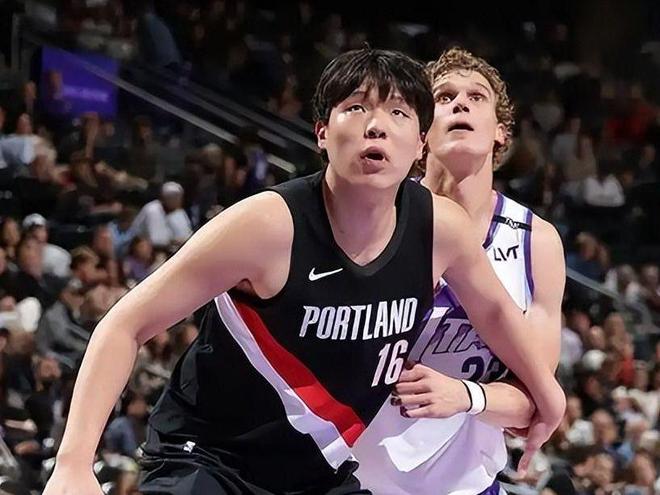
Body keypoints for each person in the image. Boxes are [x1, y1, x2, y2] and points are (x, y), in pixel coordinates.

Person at [43, 48, 564, 495]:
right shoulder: (267, 225)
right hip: (213, 457)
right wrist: (72, 462)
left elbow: (496, 312)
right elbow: (125, 323)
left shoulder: (442, 230)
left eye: (398, 112)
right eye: (355, 107)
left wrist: (549, 396)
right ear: (321, 133)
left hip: (319, 469)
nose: (376, 124)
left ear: (419, 143)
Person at [353, 48, 566, 494]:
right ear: (422, 131)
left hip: (466, 485)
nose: (460, 104)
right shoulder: (374, 212)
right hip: (353, 476)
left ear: (501, 131)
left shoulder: (537, 242)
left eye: (476, 97)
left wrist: (465, 395)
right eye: (445, 97)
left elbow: (532, 399)